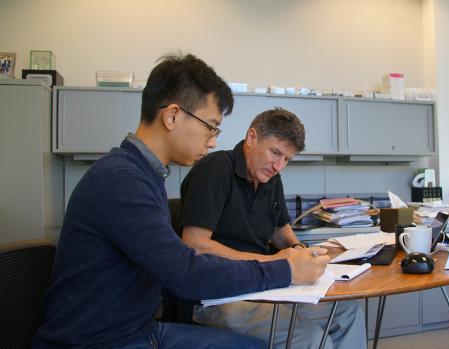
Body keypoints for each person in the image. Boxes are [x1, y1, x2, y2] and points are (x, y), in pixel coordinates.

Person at [31, 54, 330, 349]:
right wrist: (284, 269)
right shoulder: (121, 179)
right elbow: (184, 274)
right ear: (172, 116)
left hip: (140, 330)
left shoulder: (144, 174)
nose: (212, 141)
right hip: (96, 342)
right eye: (210, 127)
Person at [180, 108, 367, 349]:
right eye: (275, 152)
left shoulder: (271, 179)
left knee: (347, 312)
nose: (279, 166)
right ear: (251, 137)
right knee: (312, 340)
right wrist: (273, 263)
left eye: (287, 159)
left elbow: (279, 231)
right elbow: (194, 245)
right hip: (218, 295)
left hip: (265, 287)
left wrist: (300, 251)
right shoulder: (214, 170)